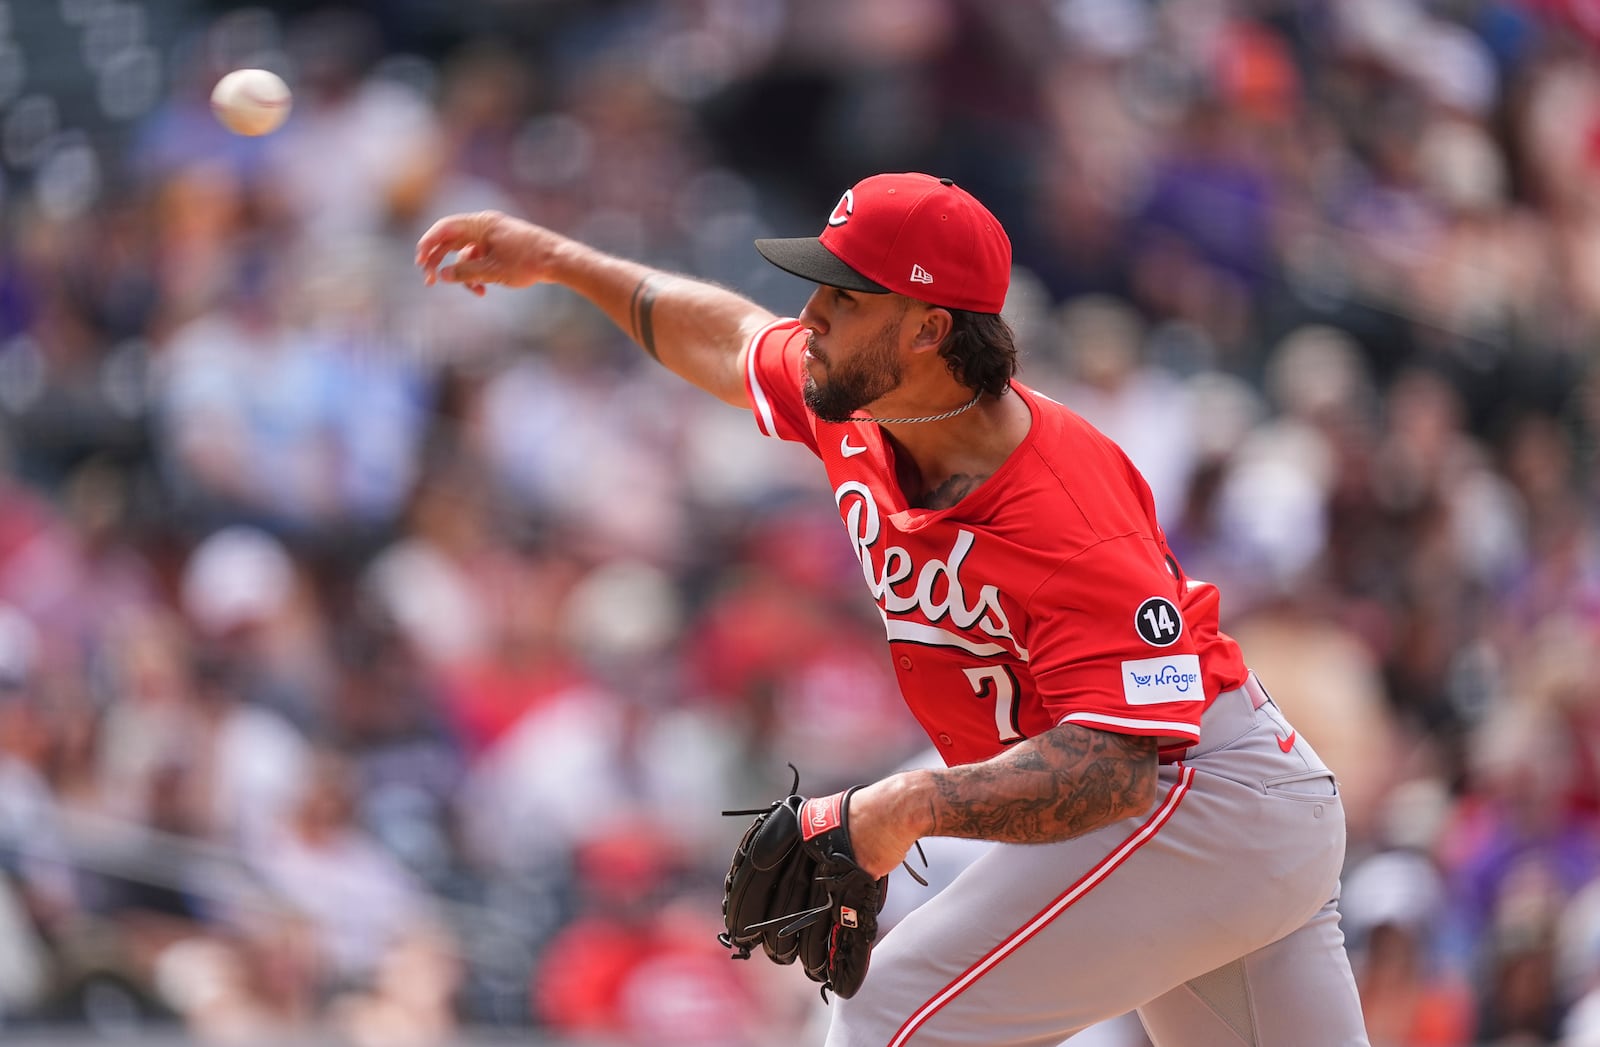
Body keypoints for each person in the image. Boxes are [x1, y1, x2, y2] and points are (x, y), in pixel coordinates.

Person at [416, 172, 1369, 1046]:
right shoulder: (863, 402)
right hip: (1217, 825)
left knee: (887, 1016)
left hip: (1198, 797)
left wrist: (900, 804)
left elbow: (1117, 769)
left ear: (925, 329)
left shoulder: (1066, 508)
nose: (813, 312)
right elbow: (730, 338)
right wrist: (560, 260)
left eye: (844, 294)